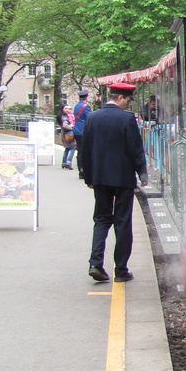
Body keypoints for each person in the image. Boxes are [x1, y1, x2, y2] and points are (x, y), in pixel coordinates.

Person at [80, 81, 148, 283]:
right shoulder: (127, 119)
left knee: (101, 220)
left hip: (100, 178)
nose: (128, 104)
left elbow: (86, 150)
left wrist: (89, 177)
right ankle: (121, 269)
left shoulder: (92, 118)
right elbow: (135, 149)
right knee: (122, 222)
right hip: (122, 179)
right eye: (127, 100)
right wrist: (142, 173)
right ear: (120, 97)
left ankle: (95, 263)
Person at [72, 89, 92, 181]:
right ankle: (84, 170)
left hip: (76, 130)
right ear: (86, 97)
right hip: (83, 131)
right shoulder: (86, 107)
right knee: (84, 151)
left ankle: (80, 170)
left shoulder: (76, 106)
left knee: (79, 151)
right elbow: (89, 118)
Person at [57, 103, 76, 169]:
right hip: (68, 134)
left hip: (64, 134)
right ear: (62, 109)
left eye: (68, 108)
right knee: (73, 147)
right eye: (65, 108)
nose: (67, 109)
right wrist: (70, 127)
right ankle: (68, 162)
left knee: (67, 148)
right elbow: (65, 125)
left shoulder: (60, 116)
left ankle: (64, 162)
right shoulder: (64, 117)